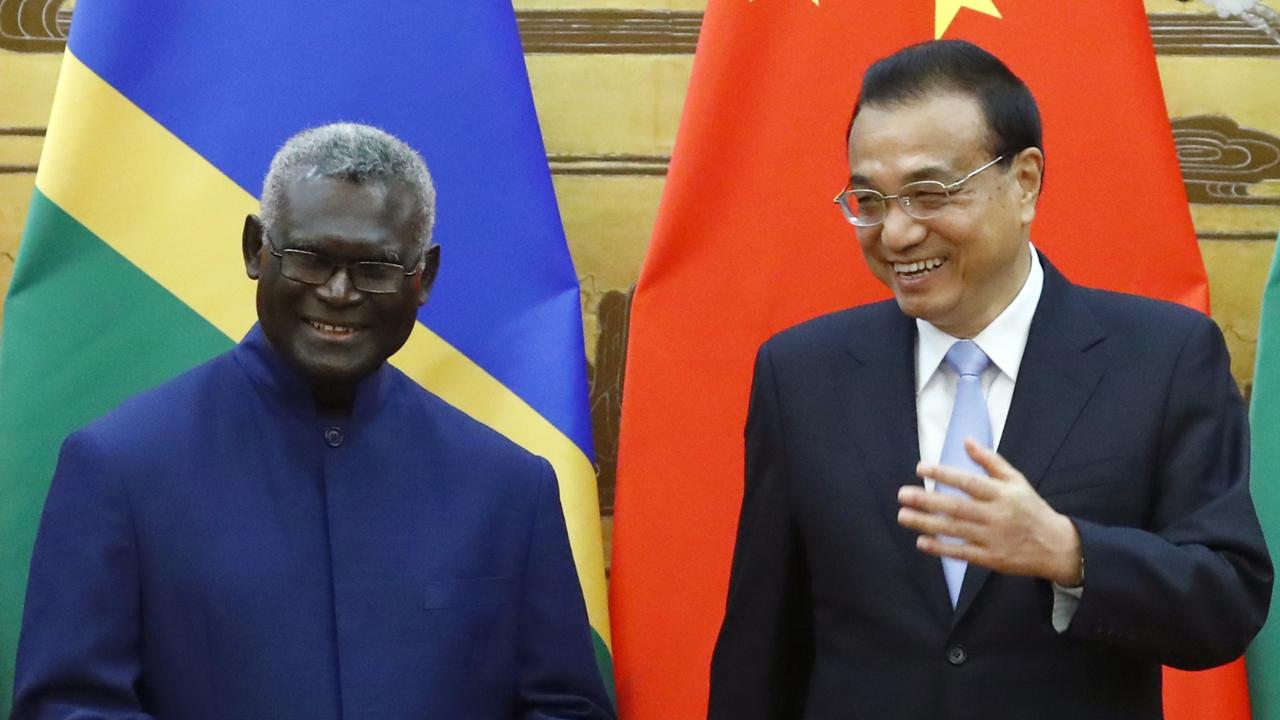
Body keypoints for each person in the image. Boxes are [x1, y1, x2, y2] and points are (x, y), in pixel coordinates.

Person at [708, 40, 1272, 720]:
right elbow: (760, 648)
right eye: (868, 199)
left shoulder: (1163, 358)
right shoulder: (799, 374)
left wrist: (1070, 553)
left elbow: (1226, 599)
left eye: (928, 193)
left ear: (1024, 182)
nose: (895, 233)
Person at [13, 123, 615, 720]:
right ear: (256, 250)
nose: (338, 291)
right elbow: (69, 707)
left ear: (423, 277)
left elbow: (563, 709)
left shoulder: (510, 487)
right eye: (310, 258)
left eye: (376, 267)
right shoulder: (119, 468)